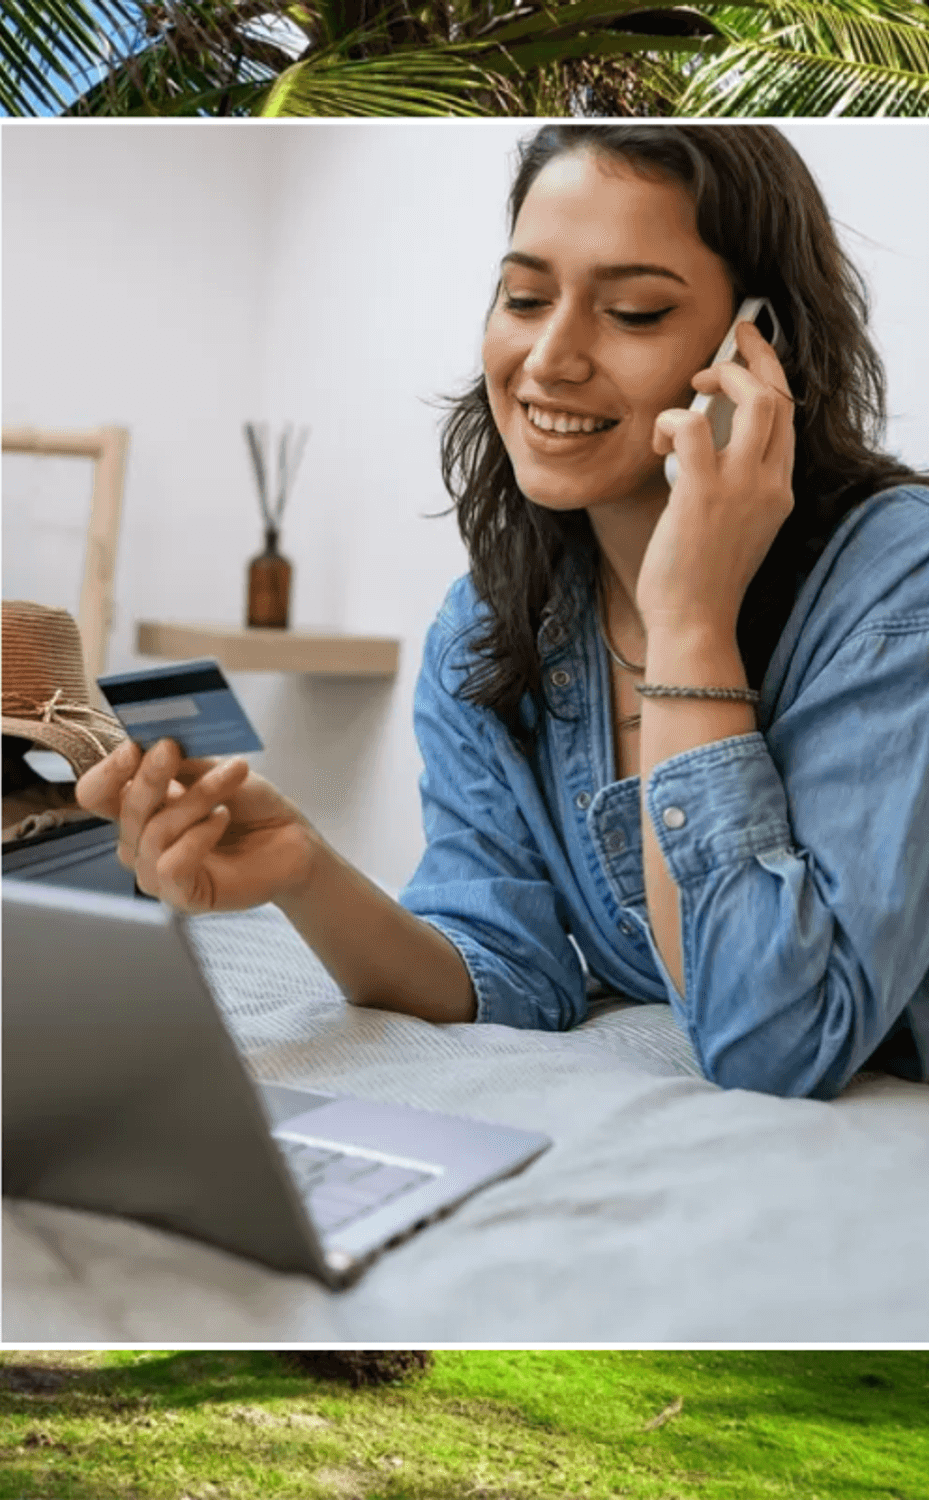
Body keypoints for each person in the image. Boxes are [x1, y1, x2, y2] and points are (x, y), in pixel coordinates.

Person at [77, 124, 929, 1102]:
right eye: (523, 298)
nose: (548, 358)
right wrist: (301, 871)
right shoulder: (488, 624)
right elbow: (508, 968)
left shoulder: (895, 580)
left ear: (756, 349)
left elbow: (777, 1046)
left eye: (634, 311)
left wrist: (688, 618)